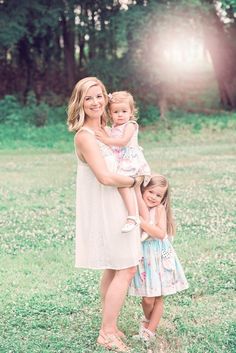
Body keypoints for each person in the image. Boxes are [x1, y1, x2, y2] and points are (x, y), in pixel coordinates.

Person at [67, 77, 143, 352]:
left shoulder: (109, 131)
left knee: (115, 266)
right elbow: (105, 178)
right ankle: (106, 332)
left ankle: (110, 325)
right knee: (126, 267)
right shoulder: (85, 137)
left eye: (99, 96)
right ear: (80, 103)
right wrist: (136, 181)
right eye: (89, 98)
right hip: (107, 207)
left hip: (118, 205)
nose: (96, 102)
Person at [129, 174, 189, 342]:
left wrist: (142, 222)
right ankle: (148, 322)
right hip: (143, 258)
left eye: (159, 195)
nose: (154, 197)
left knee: (158, 296)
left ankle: (150, 332)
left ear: (163, 198)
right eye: (151, 192)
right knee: (147, 299)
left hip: (158, 256)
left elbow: (160, 233)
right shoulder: (135, 206)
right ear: (143, 190)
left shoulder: (159, 209)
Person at [95, 91, 151, 233]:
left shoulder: (131, 125)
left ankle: (133, 217)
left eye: (124, 111)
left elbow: (123, 141)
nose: (120, 115)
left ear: (131, 112)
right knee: (136, 192)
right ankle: (147, 226)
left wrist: (105, 140)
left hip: (130, 161)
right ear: (110, 113)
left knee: (123, 186)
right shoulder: (113, 127)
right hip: (123, 161)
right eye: (116, 112)